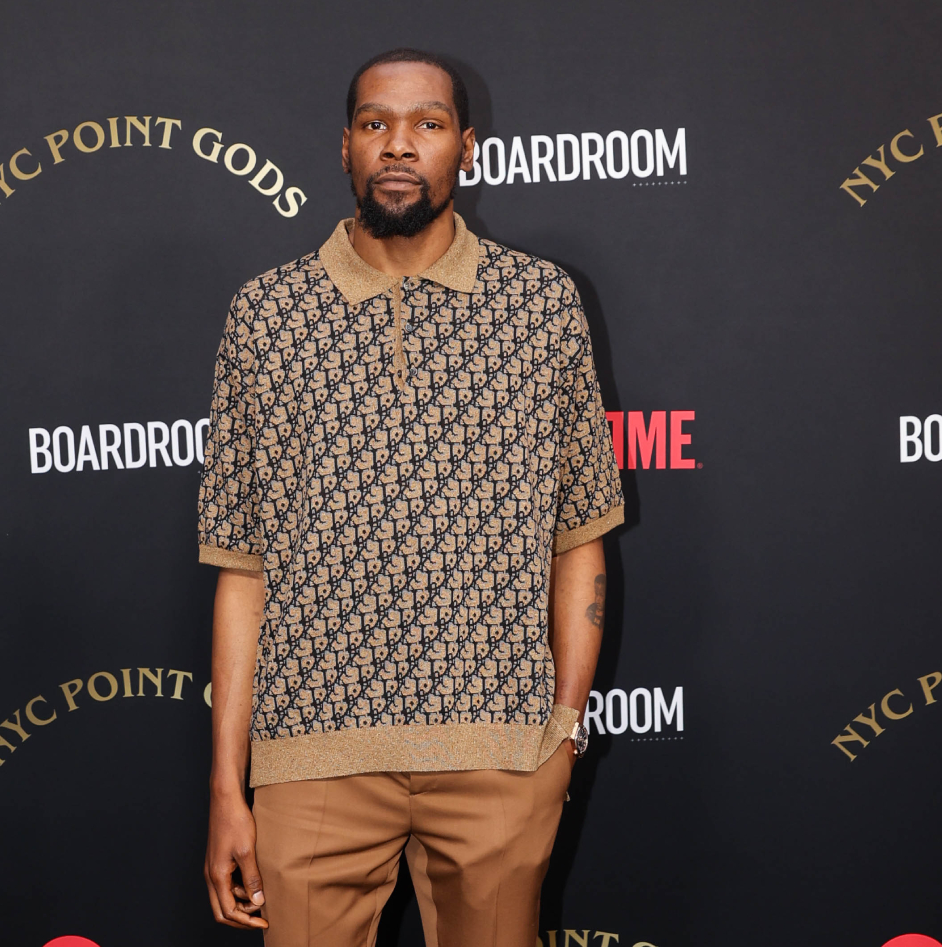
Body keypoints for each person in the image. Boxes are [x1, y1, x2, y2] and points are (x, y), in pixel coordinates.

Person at [197, 47, 624, 947]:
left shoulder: (541, 304)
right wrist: (227, 785)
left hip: (500, 757)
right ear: (344, 147)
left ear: (466, 147)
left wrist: (562, 729)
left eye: (427, 124)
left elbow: (580, 535)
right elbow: (242, 568)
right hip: (311, 758)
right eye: (375, 124)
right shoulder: (265, 314)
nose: (399, 144)